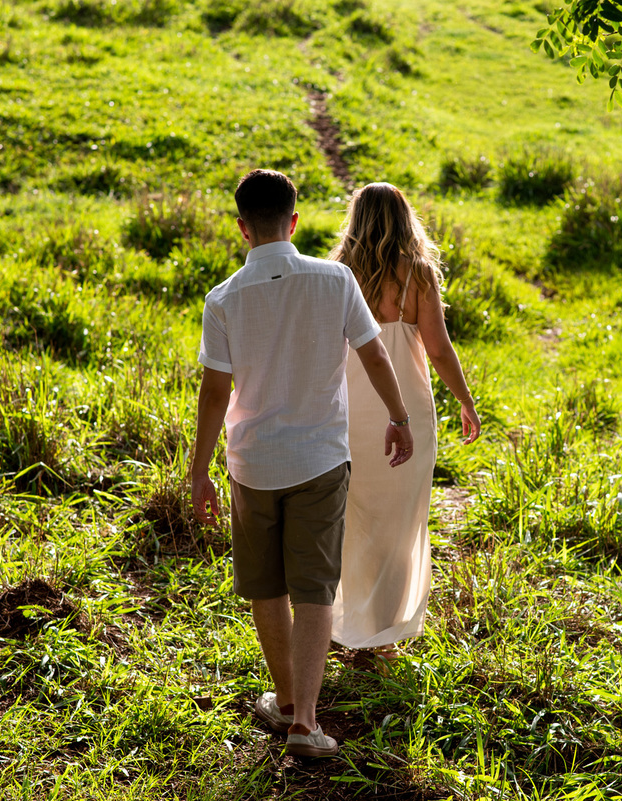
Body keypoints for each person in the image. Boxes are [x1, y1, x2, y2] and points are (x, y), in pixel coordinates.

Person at [188, 170, 414, 758]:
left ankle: (286, 701)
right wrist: (399, 416)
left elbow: (214, 393)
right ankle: (305, 724)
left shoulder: (223, 298)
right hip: (319, 460)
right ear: (294, 221)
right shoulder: (335, 279)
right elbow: (374, 355)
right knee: (314, 588)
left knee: (266, 585)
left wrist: (198, 471)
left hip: (252, 464)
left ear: (243, 228)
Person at [328, 182, 481, 661]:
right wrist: (466, 399)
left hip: (350, 409)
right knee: (398, 523)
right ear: (404, 218)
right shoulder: (417, 273)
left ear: (356, 219)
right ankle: (383, 635)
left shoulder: (338, 273)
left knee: (351, 518)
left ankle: (343, 621)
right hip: (405, 411)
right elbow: (438, 349)